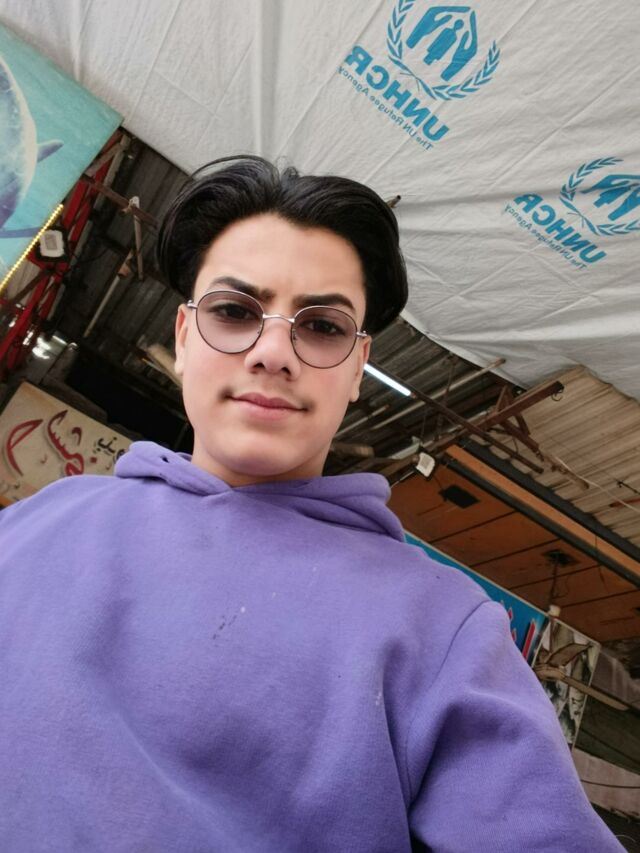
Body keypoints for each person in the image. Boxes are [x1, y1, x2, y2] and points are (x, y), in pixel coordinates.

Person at [0, 156, 624, 852]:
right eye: (234, 312)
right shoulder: (46, 516)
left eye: (322, 326)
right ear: (183, 335)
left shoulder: (441, 627)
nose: (273, 352)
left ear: (358, 366)